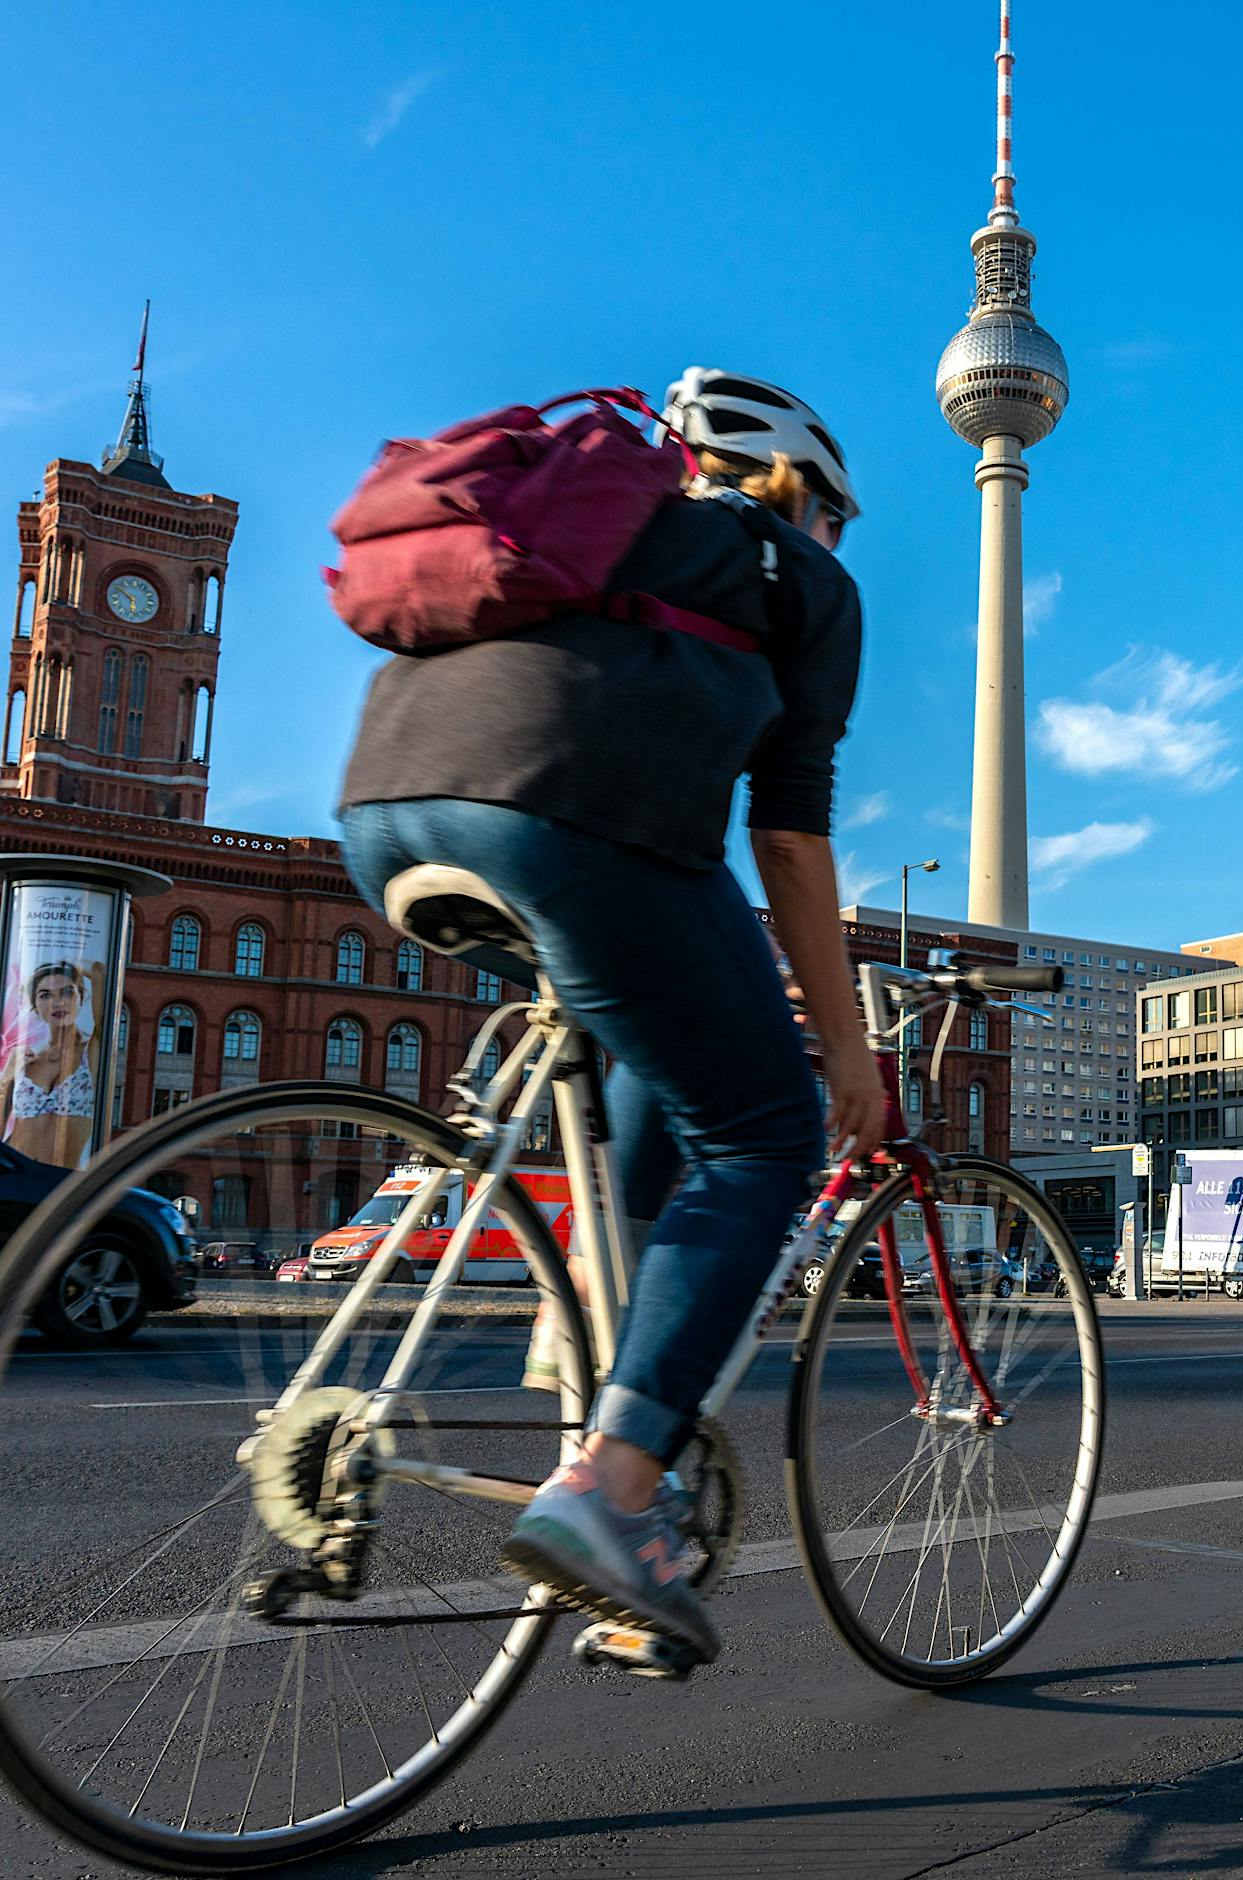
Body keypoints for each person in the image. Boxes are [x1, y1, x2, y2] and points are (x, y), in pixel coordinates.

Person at [336, 369, 882, 1669]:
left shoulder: (592, 525)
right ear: (801, 491)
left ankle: (594, 1383)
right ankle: (611, 1488)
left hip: (385, 813)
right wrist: (848, 1050)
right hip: (568, 820)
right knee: (761, 1137)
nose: (840, 544)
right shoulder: (798, 574)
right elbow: (792, 845)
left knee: (649, 1084)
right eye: (839, 518)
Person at [0, 958, 108, 1168]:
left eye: (67, 992)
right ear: (34, 1005)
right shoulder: (24, 1059)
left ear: (81, 997)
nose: (57, 1003)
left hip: (64, 1182)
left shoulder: (91, 1050)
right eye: (45, 995)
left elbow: (99, 974)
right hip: (14, 1181)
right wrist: (5, 1078)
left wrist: (73, 963)